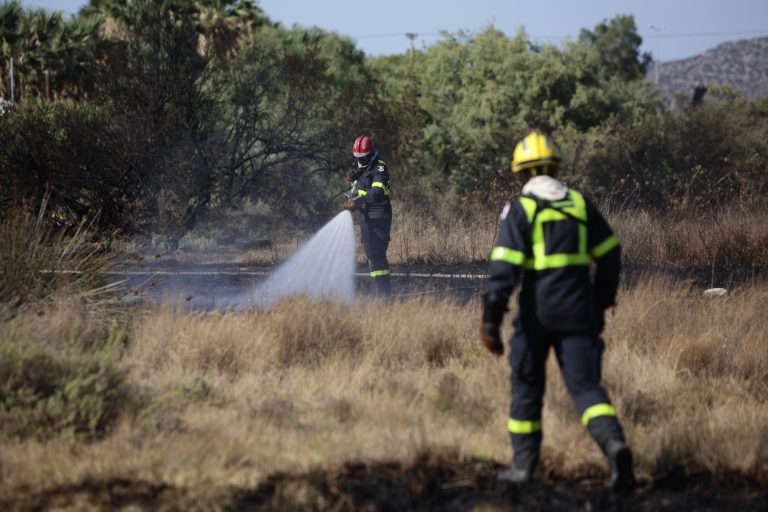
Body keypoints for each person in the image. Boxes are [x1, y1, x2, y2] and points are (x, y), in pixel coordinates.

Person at [480, 131, 635, 492]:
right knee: (585, 387)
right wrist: (600, 301)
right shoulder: (580, 204)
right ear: (555, 167)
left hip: (537, 315)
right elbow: (610, 254)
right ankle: (615, 446)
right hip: (579, 312)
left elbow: (503, 270)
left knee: (526, 386)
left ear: (522, 172)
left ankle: (523, 467)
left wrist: (491, 321)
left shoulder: (522, 209)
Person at [342, 135, 392, 296]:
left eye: (363, 158)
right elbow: (362, 179)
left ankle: (384, 294)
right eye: (358, 158)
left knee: (377, 253)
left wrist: (356, 202)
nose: (360, 161)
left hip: (379, 214)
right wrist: (354, 176)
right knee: (371, 254)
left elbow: (377, 191)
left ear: (371, 154)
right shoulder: (364, 168)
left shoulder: (380, 168)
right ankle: (379, 291)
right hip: (366, 214)